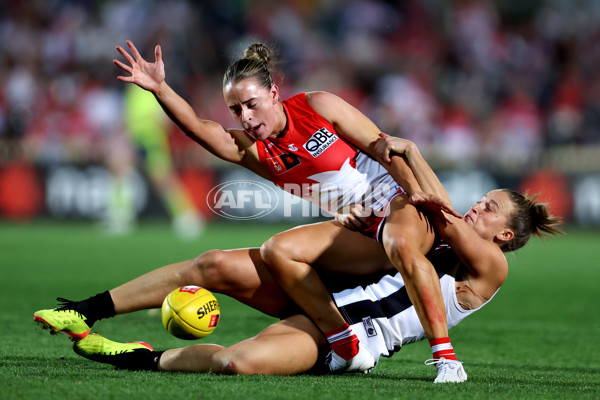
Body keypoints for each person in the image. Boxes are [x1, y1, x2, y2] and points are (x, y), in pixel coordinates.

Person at [64, 134, 561, 381]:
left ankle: (142, 358)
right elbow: (431, 203)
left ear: (506, 236)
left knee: (237, 364)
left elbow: (437, 205)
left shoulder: (492, 268)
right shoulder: (442, 231)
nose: (478, 206)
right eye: (482, 199)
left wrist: (411, 156)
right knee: (212, 263)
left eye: (490, 208)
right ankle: (86, 310)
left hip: (357, 338)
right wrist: (405, 159)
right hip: (323, 292)